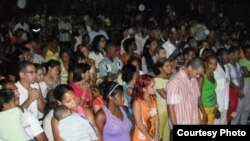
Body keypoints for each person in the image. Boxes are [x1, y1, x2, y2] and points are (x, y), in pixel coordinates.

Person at [167, 57, 207, 125]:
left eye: (200, 74)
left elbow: (195, 102)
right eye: (197, 73)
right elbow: (171, 108)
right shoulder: (175, 82)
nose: (198, 76)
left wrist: (199, 120)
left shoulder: (193, 79)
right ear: (190, 68)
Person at [132, 74, 159, 141]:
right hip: (141, 137)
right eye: (152, 86)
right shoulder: (137, 103)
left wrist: (156, 134)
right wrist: (151, 139)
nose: (155, 88)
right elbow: (139, 124)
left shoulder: (152, 98)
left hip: (152, 134)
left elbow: (156, 118)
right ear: (144, 89)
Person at [198, 55, 219, 125]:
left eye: (215, 64)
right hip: (203, 109)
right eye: (211, 63)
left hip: (212, 108)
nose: (213, 66)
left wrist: (216, 105)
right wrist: (204, 113)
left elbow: (213, 91)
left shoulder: (212, 74)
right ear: (205, 63)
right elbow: (197, 97)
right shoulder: (201, 77)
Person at [232, 45, 250, 124]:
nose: (249, 53)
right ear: (244, 53)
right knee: (239, 106)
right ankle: (234, 122)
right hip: (244, 84)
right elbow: (245, 74)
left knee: (247, 107)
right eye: (247, 52)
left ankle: (243, 122)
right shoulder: (241, 61)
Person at [154, 58, 171, 141]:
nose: (169, 67)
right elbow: (164, 95)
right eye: (167, 66)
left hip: (168, 109)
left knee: (167, 132)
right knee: (159, 133)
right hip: (161, 110)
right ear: (160, 68)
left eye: (170, 65)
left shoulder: (170, 77)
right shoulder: (157, 80)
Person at [213, 48, 230, 125]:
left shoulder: (226, 68)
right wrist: (216, 107)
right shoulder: (215, 70)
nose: (228, 57)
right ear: (219, 57)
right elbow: (212, 90)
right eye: (226, 55)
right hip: (217, 105)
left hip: (225, 103)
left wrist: (228, 101)